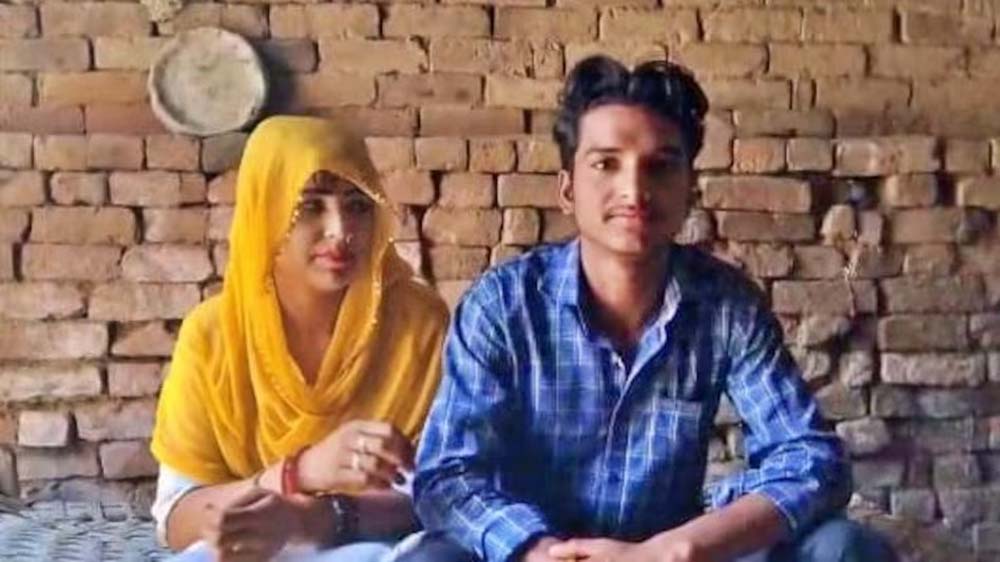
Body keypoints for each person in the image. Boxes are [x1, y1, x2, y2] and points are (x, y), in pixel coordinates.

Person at [407, 56, 898, 562]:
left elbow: (811, 458)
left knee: (843, 548)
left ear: (689, 189)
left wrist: (675, 549)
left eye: (660, 166)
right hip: (537, 555)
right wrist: (538, 550)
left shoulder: (725, 306)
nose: (635, 190)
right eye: (606, 164)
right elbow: (446, 476)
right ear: (568, 189)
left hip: (669, 556)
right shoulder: (503, 305)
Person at [149, 116, 449, 562]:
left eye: (358, 205)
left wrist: (312, 517)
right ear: (265, 212)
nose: (341, 230)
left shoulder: (419, 324)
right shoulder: (213, 336)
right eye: (310, 207)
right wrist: (298, 473)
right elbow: (176, 521)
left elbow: (442, 497)